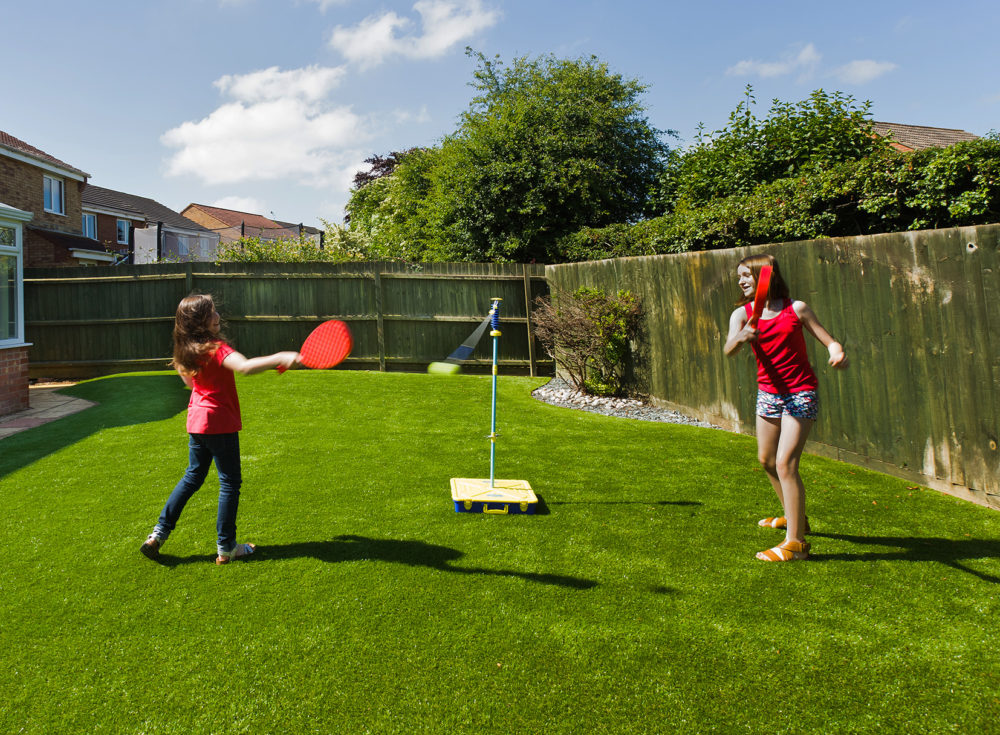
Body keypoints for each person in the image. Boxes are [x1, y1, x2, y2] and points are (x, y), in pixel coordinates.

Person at [140, 293, 299, 565]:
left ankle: (157, 534)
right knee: (229, 483)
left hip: (196, 423)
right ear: (200, 321)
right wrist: (280, 357)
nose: (217, 316)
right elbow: (246, 367)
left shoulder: (183, 351)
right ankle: (226, 548)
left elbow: (191, 386)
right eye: (212, 312)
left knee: (192, 477)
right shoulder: (217, 348)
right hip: (220, 424)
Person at [723, 255, 848, 562]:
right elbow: (728, 349)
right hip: (768, 394)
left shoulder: (797, 308)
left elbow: (828, 340)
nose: (741, 281)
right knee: (766, 460)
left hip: (800, 393)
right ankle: (796, 518)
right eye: (739, 276)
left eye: (747, 276)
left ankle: (796, 543)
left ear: (766, 277)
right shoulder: (742, 314)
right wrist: (741, 336)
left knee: (785, 464)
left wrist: (837, 352)